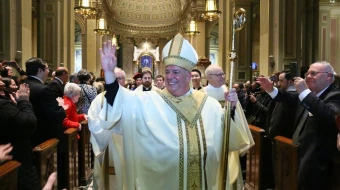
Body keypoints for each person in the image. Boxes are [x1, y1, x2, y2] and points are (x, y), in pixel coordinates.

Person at [88, 33, 253, 189]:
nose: (169, 76)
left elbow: (226, 138)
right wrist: (109, 73)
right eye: (167, 72)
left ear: (189, 76)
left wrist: (230, 111)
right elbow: (119, 102)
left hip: (204, 179)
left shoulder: (209, 104)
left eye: (175, 72)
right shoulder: (148, 101)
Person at [257, 61, 340, 190]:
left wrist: (305, 92)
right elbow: (288, 98)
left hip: (319, 162)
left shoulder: (335, 95)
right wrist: (270, 89)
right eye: (307, 73)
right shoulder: (309, 94)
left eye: (314, 73)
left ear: (328, 76)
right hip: (300, 153)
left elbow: (328, 114)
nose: (308, 76)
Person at [202, 64, 254, 189]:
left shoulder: (228, 91)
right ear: (208, 77)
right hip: (211, 142)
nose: (222, 77)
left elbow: (238, 116)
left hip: (229, 139)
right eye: (218, 75)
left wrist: (234, 105)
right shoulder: (201, 95)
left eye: (223, 74)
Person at [23, 57, 67, 189]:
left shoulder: (23, 85)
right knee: (51, 172)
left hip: (31, 136)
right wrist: (61, 108)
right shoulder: (44, 89)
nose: (49, 71)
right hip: (47, 136)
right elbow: (55, 115)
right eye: (47, 68)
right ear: (40, 70)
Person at [0, 78, 40, 189]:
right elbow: (28, 124)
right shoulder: (2, 105)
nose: (1, 81)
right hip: (15, 161)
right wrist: (24, 101)